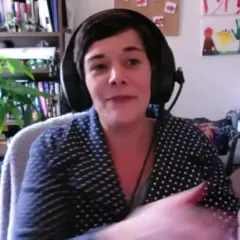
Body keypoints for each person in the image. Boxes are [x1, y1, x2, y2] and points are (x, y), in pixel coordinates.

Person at [13, 9, 239, 240]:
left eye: (132, 61)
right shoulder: (54, 149)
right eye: (99, 66)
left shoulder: (191, 141)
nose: (116, 77)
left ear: (155, 73)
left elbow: (227, 222)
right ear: (81, 83)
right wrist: (118, 235)